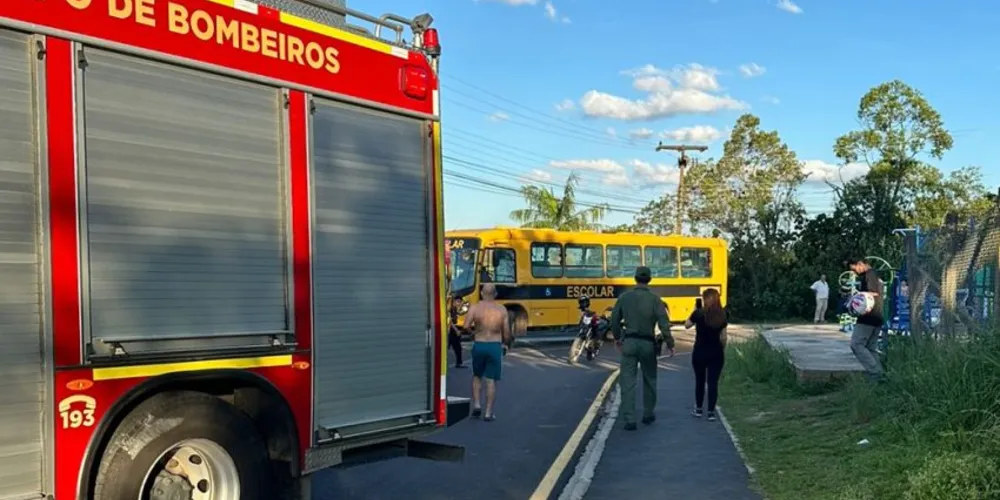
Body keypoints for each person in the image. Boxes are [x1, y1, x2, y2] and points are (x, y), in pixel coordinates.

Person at [610, 266, 675, 431]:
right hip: (648, 344)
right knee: (650, 379)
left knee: (627, 381)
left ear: (635, 278)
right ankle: (647, 414)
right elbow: (664, 324)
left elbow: (614, 320)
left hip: (629, 342)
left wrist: (617, 338)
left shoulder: (624, 298)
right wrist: (670, 343)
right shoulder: (655, 300)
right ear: (649, 279)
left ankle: (630, 419)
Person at [464, 283, 511, 421]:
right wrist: (506, 344)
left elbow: (466, 326)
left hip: (479, 344)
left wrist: (473, 334)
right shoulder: (501, 309)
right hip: (494, 345)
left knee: (477, 376)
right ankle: (488, 413)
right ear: (495, 294)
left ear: (482, 293)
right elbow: (506, 332)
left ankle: (477, 405)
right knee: (491, 380)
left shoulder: (475, 308)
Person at [685, 288, 728, 422]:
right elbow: (724, 337)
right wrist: (721, 348)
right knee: (713, 382)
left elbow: (687, 325)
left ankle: (698, 409)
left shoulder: (698, 313)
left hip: (700, 351)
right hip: (716, 352)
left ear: (704, 299)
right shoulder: (722, 315)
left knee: (700, 381)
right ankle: (711, 412)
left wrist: (694, 310)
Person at [845, 258, 885, 381]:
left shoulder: (869, 274)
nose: (855, 272)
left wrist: (856, 299)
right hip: (877, 316)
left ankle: (875, 371)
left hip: (868, 317)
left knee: (856, 344)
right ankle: (879, 376)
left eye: (854, 269)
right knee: (870, 347)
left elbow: (873, 293)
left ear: (860, 264)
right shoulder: (875, 274)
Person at [448, 297, 466, 369]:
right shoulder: (450, 309)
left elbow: (458, 314)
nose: (459, 303)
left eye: (460, 302)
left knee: (458, 348)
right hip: (450, 330)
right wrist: (456, 330)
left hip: (453, 330)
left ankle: (459, 363)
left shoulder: (454, 309)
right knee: (451, 347)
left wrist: (463, 310)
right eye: (458, 301)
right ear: (454, 301)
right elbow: (450, 321)